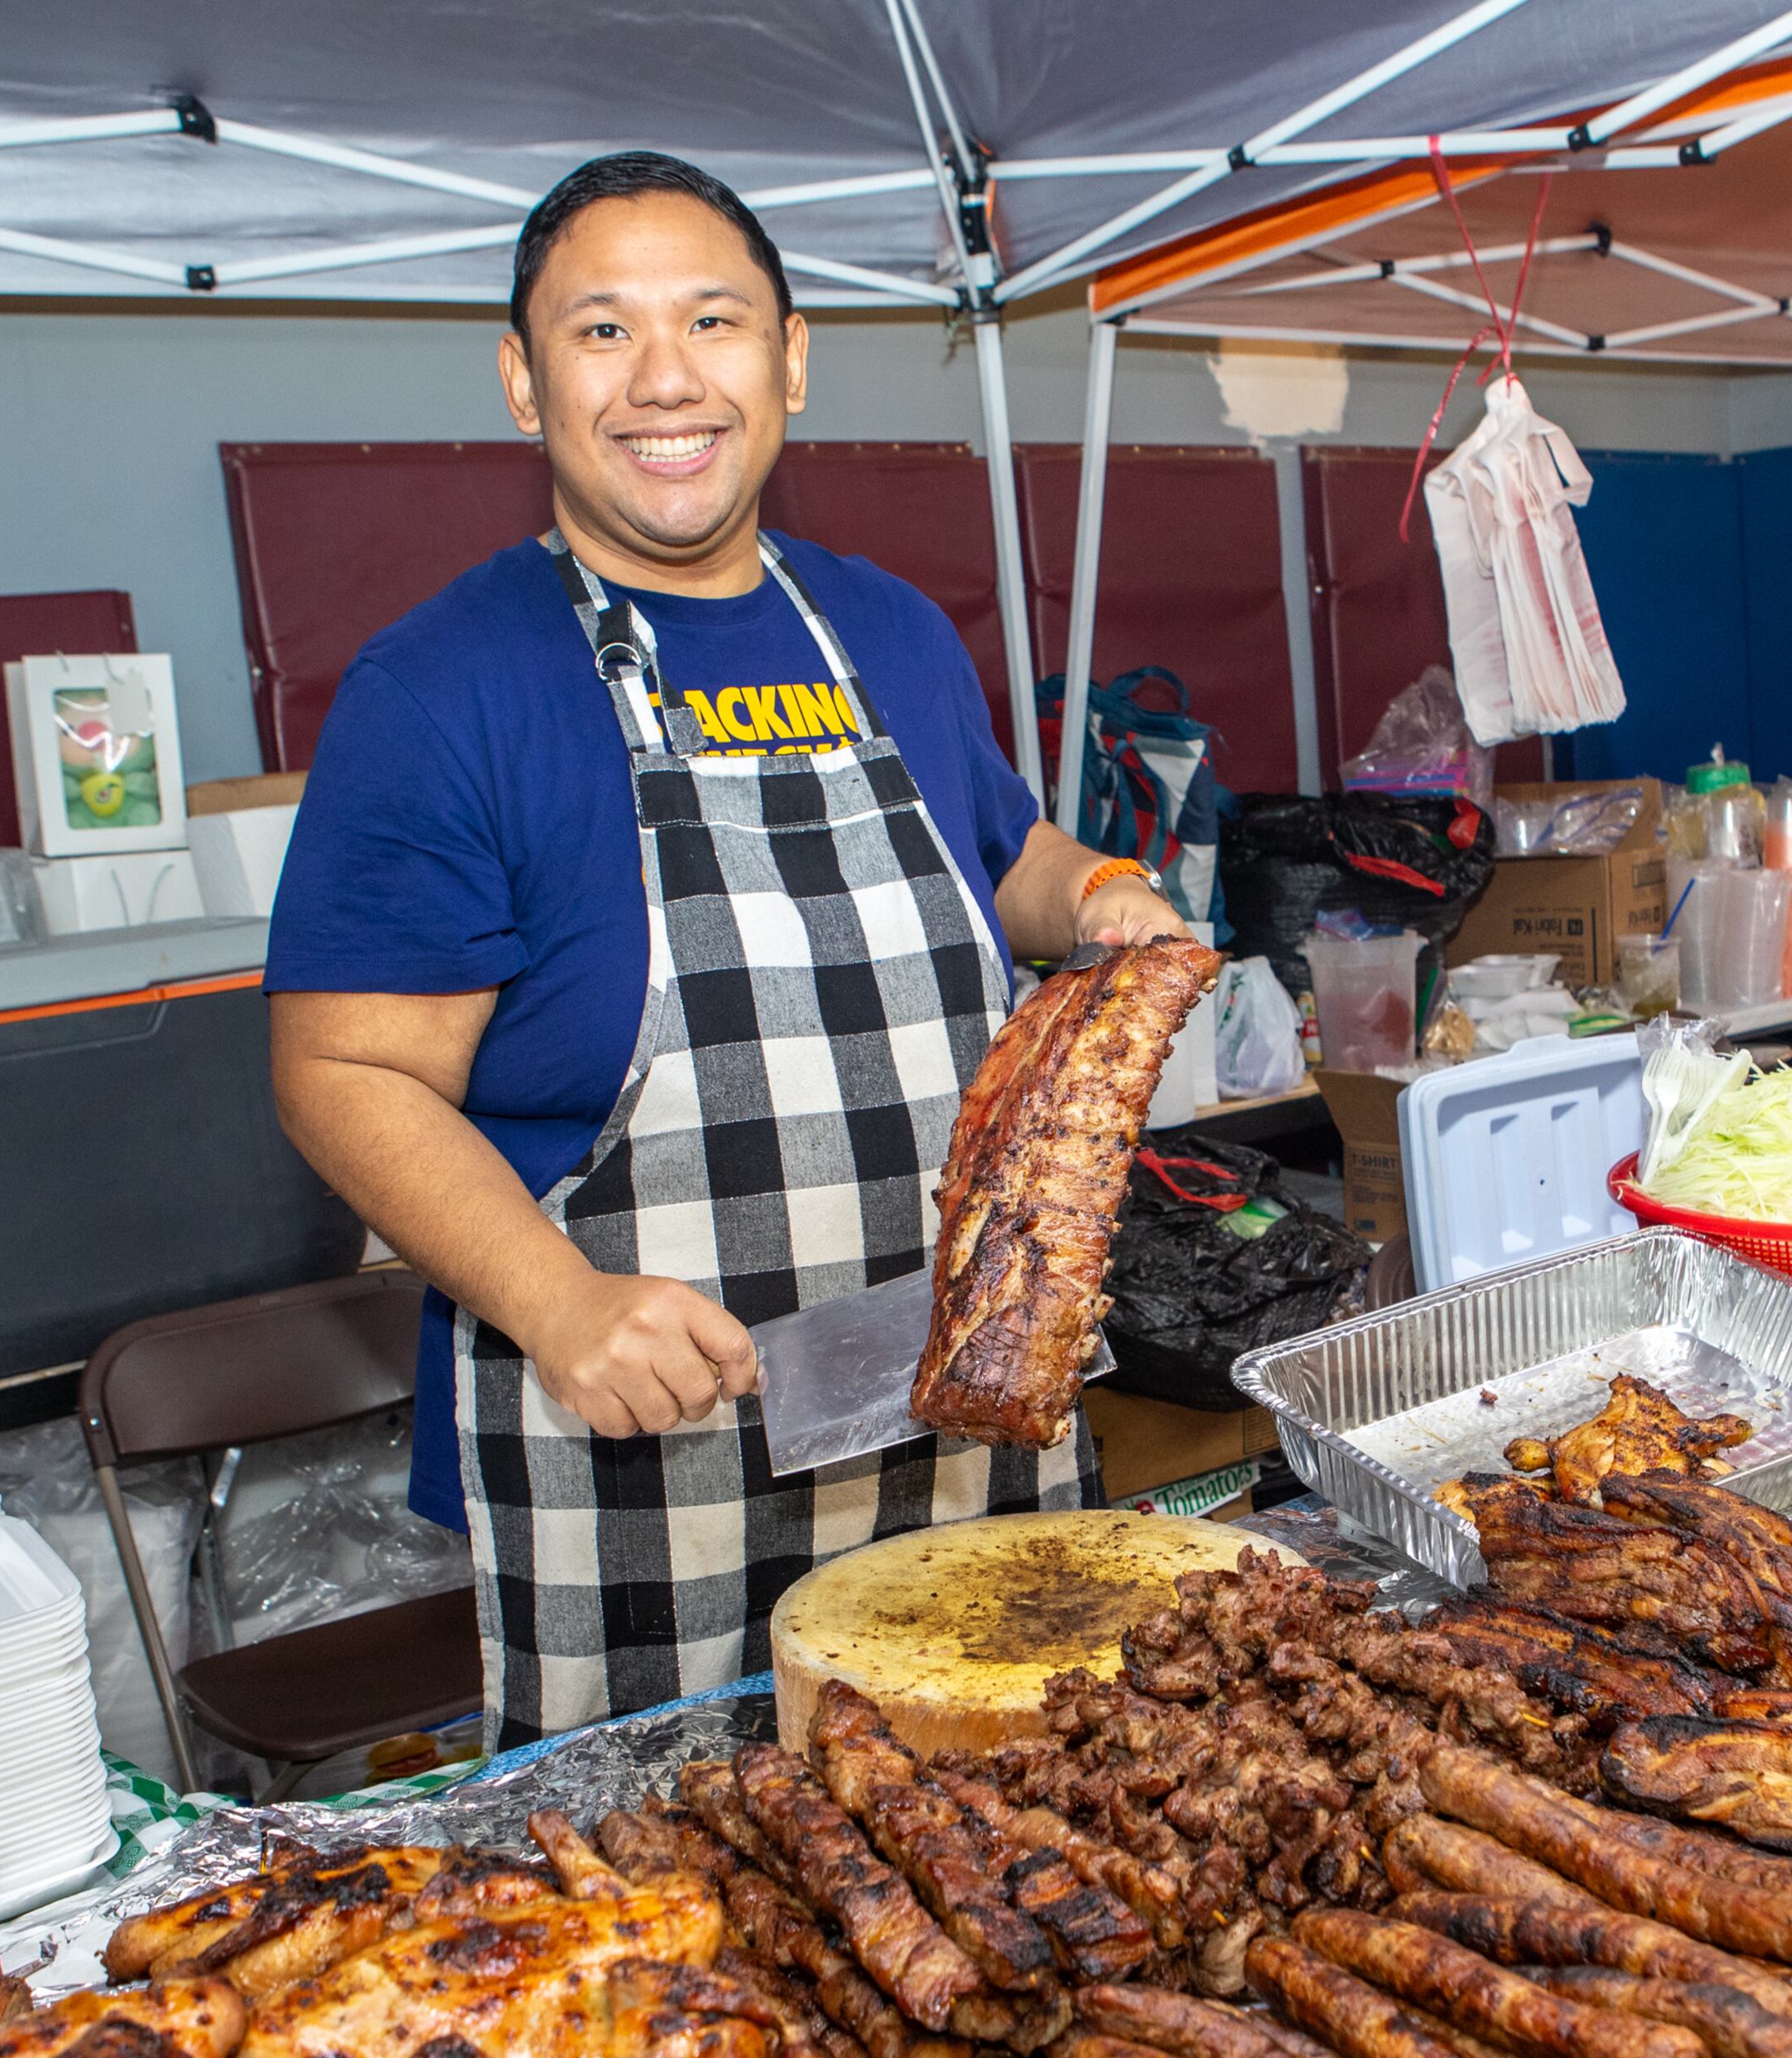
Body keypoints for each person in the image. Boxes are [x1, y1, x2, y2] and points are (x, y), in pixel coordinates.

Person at [264, 152, 1190, 1744]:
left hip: (969, 1391)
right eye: (601, 332)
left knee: (1042, 1852)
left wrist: (1096, 883)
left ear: (792, 356)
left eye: (714, 320)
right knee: (690, 1925)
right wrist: (556, 1301)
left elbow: (1001, 854)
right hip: (647, 1447)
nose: (667, 379)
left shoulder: (886, 625)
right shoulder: (444, 687)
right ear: (521, 377)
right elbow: (338, 1070)